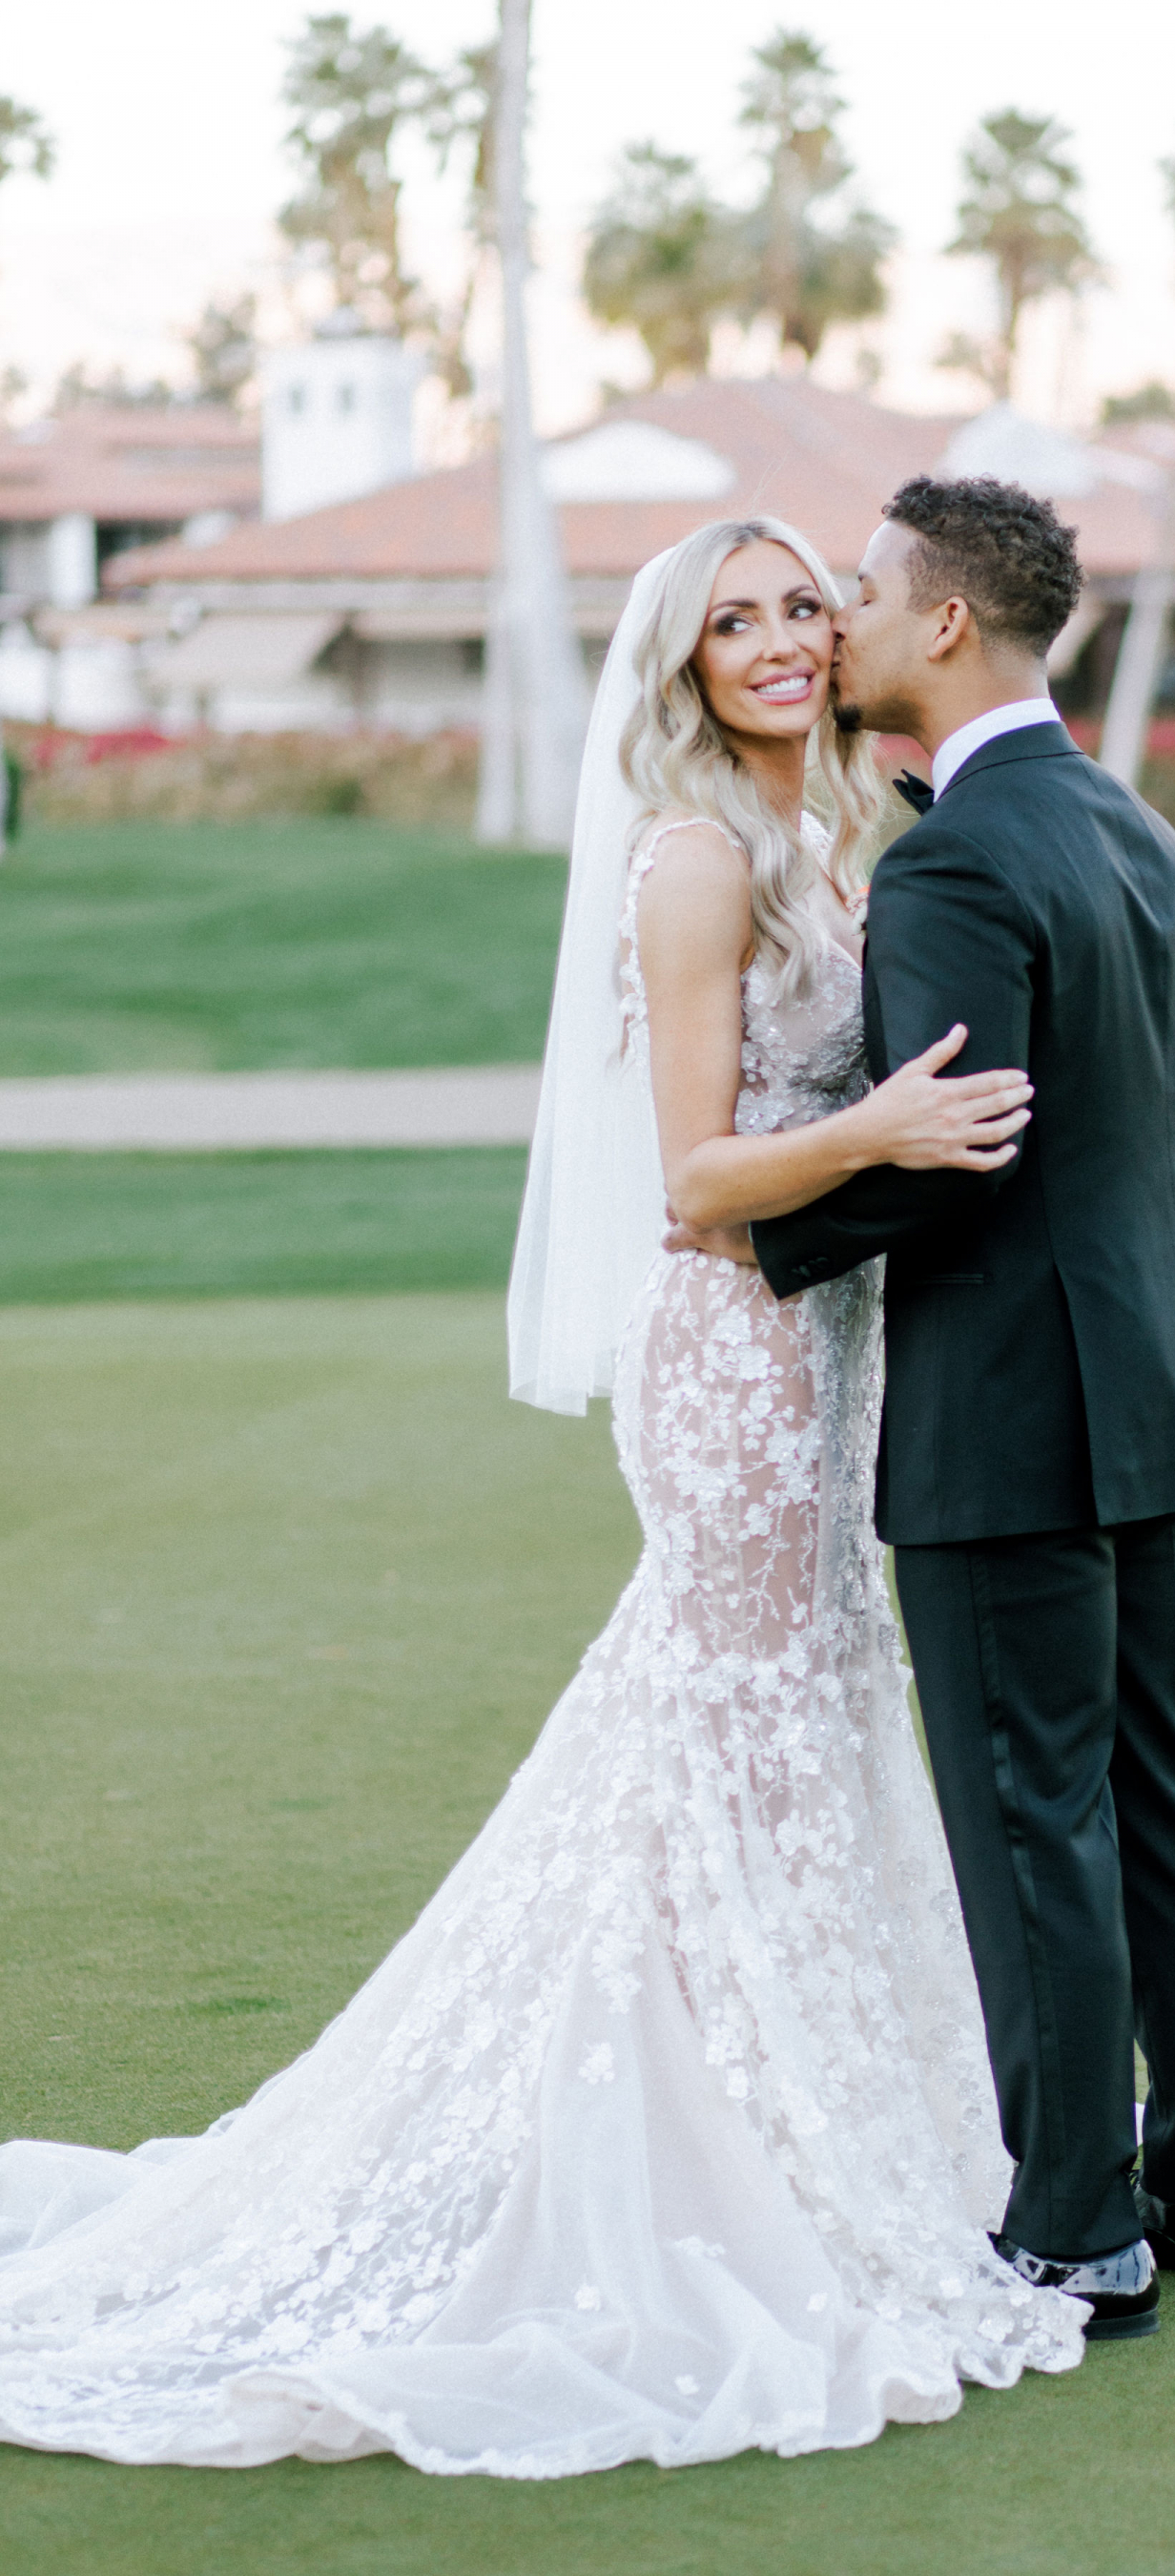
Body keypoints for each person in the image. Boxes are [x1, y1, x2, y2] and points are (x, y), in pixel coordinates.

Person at [0, 516, 1091, 2483]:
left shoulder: (846, 822)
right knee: (739, 1726)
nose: (773, 643)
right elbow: (692, 1175)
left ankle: (779, 2110)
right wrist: (883, 1126)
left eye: (793, 611)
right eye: (730, 622)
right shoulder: (695, 861)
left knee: (793, 1724)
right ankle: (740, 2152)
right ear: (678, 667)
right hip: (735, 1365)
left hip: (826, 1365)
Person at [725, 473, 1175, 2297]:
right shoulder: (1145, 833)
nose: (839, 626)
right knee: (1160, 1784)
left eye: (864, 594)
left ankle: (1075, 2230)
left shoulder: (956, 854)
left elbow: (956, 1139)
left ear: (946, 623)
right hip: (1162, 1377)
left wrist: (741, 1222)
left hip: (1010, 1403)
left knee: (1032, 1802)